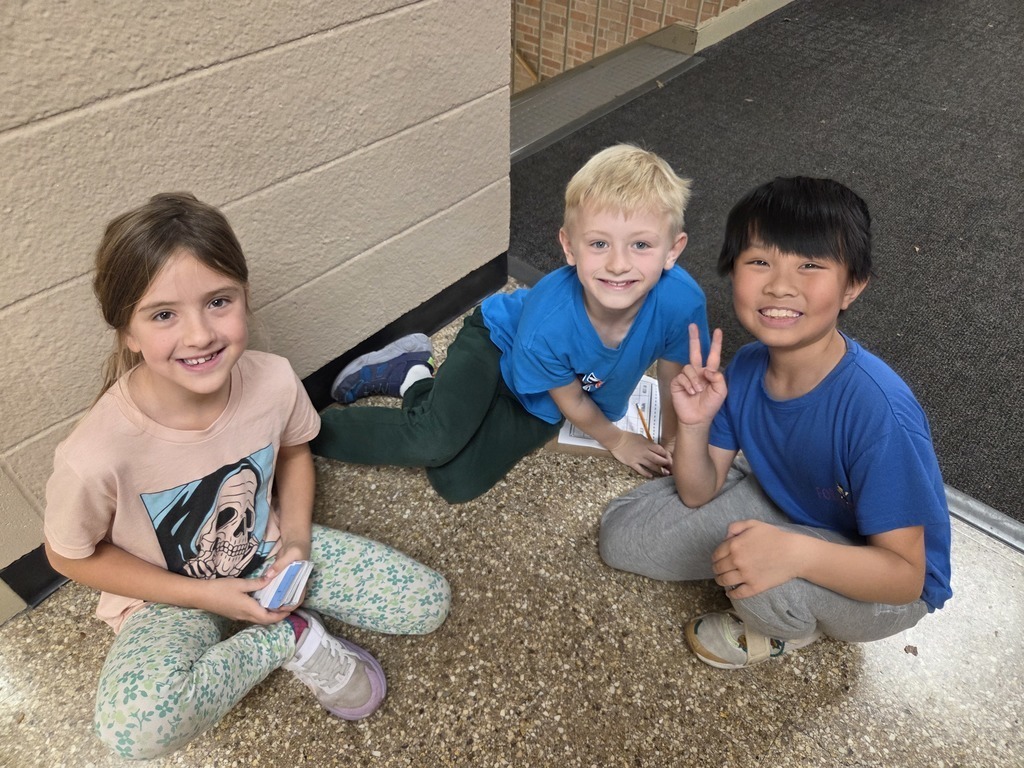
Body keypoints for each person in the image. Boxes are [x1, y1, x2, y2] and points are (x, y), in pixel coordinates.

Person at [43, 193, 451, 760]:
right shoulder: (92, 454)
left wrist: (296, 541)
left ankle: (281, 615)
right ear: (128, 331)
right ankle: (291, 638)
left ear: (245, 296)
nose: (199, 335)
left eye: (218, 301)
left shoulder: (274, 380)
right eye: (163, 314)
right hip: (166, 595)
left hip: (266, 552)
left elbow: (293, 453)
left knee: (426, 604)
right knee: (134, 730)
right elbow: (68, 555)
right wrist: (209, 596)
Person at [599, 177, 952, 669]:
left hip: (886, 580)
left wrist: (796, 554)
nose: (780, 284)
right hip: (790, 503)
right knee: (619, 536)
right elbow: (698, 492)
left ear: (852, 286)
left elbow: (906, 576)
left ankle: (784, 630)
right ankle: (773, 531)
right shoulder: (746, 367)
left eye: (809, 265)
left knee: (761, 583)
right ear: (733, 270)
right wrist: (696, 425)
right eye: (760, 261)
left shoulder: (879, 412)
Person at [312, 144, 711, 503]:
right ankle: (307, 430)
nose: (619, 264)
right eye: (599, 243)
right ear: (569, 247)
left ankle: (416, 377)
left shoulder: (682, 302)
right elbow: (571, 400)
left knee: (456, 482)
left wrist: (676, 440)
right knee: (433, 441)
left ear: (672, 250)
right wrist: (618, 439)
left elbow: (675, 374)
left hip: (546, 385)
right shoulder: (549, 319)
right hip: (497, 342)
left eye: (640, 245)